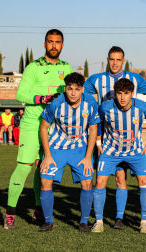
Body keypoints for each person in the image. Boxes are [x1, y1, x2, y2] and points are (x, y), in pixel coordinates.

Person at [84, 46, 146, 230]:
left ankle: (132, 220)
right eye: (112, 59)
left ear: (123, 61)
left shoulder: (135, 81)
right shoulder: (97, 81)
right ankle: (101, 220)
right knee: (113, 180)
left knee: (134, 181)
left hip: (132, 144)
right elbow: (79, 93)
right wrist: (97, 142)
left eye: (118, 59)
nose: (115, 63)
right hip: (108, 144)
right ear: (107, 60)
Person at [4, 29, 73, 230]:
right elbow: (20, 94)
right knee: (25, 166)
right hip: (32, 123)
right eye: (50, 42)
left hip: (54, 127)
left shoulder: (66, 67)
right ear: (44, 44)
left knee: (43, 168)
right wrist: (41, 99)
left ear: (62, 45)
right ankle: (10, 213)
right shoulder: (33, 67)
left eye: (57, 42)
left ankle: (38, 211)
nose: (54, 45)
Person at [38, 72, 100, 232]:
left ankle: (84, 222)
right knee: (45, 182)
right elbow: (43, 128)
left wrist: (88, 157)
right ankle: (48, 221)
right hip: (56, 149)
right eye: (70, 88)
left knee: (87, 183)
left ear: (82, 90)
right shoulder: (55, 103)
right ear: (65, 88)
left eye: (77, 89)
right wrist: (47, 155)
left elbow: (93, 130)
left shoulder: (91, 103)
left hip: (79, 150)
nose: (73, 93)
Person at [91, 78, 146, 234]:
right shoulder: (105, 107)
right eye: (119, 93)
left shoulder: (143, 107)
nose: (123, 97)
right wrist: (98, 144)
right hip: (111, 151)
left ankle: (144, 223)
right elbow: (97, 123)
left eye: (126, 93)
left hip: (135, 151)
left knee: (144, 182)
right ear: (115, 94)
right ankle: (99, 222)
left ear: (132, 93)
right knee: (100, 182)